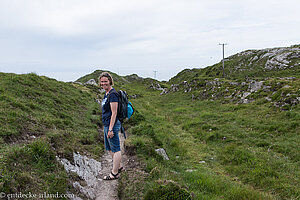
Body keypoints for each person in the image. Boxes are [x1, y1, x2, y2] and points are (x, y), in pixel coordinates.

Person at [99, 72, 124, 180]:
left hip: (111, 125)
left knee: (116, 149)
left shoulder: (113, 94)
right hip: (107, 124)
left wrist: (110, 129)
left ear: (110, 81)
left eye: (105, 81)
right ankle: (119, 166)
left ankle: (114, 173)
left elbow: (114, 113)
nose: (103, 83)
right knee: (109, 148)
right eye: (101, 81)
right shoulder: (107, 93)